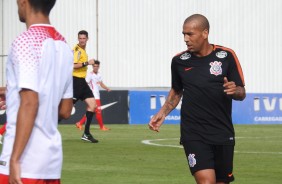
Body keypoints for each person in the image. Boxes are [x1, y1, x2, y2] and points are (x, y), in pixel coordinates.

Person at [148, 14, 246, 184]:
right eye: (183, 34)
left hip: (222, 131)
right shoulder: (179, 61)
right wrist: (162, 112)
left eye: (190, 34)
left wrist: (234, 90)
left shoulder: (227, 56)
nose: (186, 39)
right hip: (193, 133)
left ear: (205, 33)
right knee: (206, 182)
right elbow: (176, 91)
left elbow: (241, 92)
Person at [0, 0, 73, 183]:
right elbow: (65, 109)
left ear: (23, 2)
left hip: (25, 161)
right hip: (51, 161)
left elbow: (30, 101)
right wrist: (12, 94)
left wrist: (15, 159)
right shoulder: (64, 46)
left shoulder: (24, 41)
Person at [73, 30, 99, 143]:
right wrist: (87, 63)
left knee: (92, 105)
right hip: (75, 81)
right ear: (78, 39)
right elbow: (73, 65)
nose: (82, 40)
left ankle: (86, 133)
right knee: (64, 110)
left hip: (82, 82)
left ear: (87, 39)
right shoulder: (77, 50)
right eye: (80, 38)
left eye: (84, 38)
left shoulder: (83, 50)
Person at [76, 60, 111, 131]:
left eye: (97, 66)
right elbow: (85, 83)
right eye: (94, 66)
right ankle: (102, 127)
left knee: (91, 111)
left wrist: (107, 88)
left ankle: (79, 123)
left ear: (99, 67)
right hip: (93, 96)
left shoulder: (99, 75)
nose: (96, 68)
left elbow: (101, 84)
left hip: (97, 94)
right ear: (92, 66)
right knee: (98, 111)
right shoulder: (90, 75)